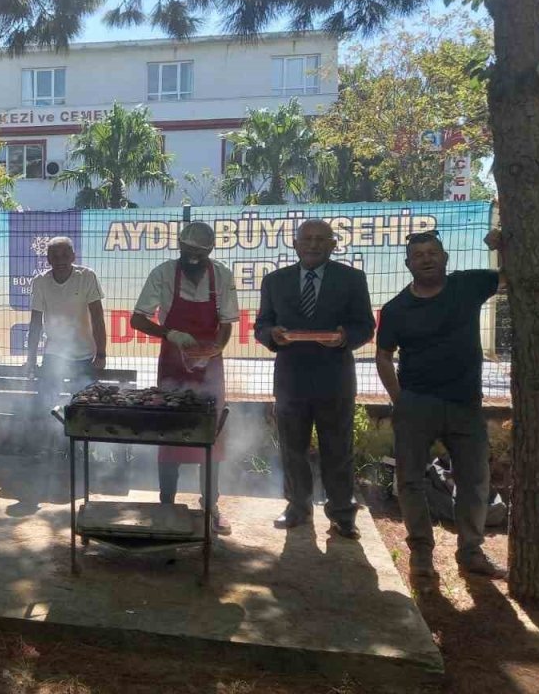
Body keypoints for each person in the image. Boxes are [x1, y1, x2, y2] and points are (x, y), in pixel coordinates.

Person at [375, 228, 508, 580]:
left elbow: (511, 279)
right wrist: (400, 401)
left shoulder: (467, 286)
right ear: (408, 264)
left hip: (466, 404)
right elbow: (383, 356)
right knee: (410, 481)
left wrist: (504, 246)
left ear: (445, 258)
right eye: (419, 256)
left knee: (475, 480)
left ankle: (470, 551)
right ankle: (421, 552)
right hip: (416, 405)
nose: (427, 259)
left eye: (433, 253)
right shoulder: (396, 309)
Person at [255, 219, 376, 539]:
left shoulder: (351, 279)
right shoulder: (274, 281)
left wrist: (344, 337)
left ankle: (341, 513)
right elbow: (261, 325)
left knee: (338, 447)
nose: (313, 244)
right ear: (295, 244)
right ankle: (298, 507)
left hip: (334, 377)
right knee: (292, 448)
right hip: (290, 379)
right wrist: (273, 335)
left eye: (321, 239)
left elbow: (366, 325)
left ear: (333, 245)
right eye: (306, 239)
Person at [131, 221, 238, 535]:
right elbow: (138, 318)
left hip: (210, 366)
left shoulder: (222, 276)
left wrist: (216, 348)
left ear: (210, 251)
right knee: (171, 432)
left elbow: (228, 321)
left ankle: (211, 504)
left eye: (199, 253)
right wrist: (169, 333)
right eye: (186, 251)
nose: (192, 258)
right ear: (179, 247)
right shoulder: (163, 274)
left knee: (211, 434)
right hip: (173, 364)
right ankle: (166, 503)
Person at [25, 237, 106, 455]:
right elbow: (35, 323)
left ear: (73, 256)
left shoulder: (87, 277)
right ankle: (52, 446)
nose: (60, 260)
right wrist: (31, 358)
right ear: (47, 259)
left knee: (84, 404)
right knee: (48, 402)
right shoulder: (40, 282)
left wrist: (102, 353)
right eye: (54, 255)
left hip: (85, 353)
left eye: (64, 255)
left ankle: (82, 448)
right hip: (54, 353)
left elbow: (98, 317)